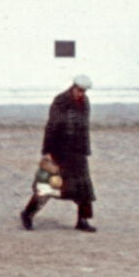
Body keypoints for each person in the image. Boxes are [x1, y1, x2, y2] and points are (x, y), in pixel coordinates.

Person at [21, 76, 95, 232]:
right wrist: (47, 151)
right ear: (73, 87)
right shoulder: (61, 102)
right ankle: (27, 214)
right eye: (79, 90)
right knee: (47, 187)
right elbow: (52, 127)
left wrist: (85, 149)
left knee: (83, 189)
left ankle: (82, 220)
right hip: (59, 152)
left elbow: (84, 128)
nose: (81, 94)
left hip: (78, 153)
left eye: (84, 91)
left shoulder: (85, 103)